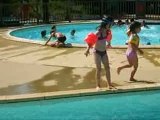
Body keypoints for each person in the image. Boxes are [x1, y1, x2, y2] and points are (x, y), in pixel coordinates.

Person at [84, 18, 114, 90]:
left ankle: (109, 84)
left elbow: (108, 39)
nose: (110, 26)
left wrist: (109, 44)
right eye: (109, 24)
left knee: (107, 68)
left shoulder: (107, 32)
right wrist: (87, 50)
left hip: (104, 52)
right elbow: (90, 41)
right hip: (97, 52)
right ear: (105, 24)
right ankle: (98, 85)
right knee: (99, 69)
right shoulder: (98, 33)